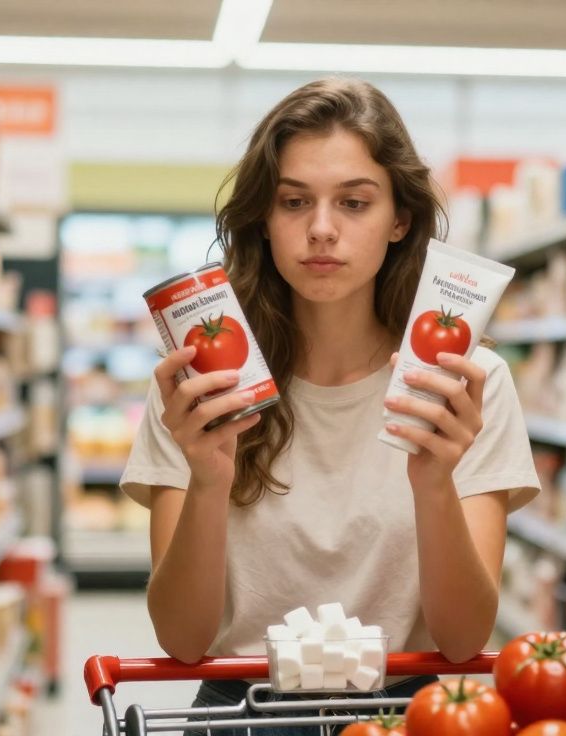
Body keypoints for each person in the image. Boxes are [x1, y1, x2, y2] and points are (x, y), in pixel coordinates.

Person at [120, 77, 540, 733]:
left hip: (407, 712)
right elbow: (182, 640)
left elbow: (461, 642)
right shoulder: (200, 385)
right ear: (264, 216)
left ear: (400, 219)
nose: (321, 230)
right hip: (242, 716)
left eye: (353, 202)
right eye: (294, 202)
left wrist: (433, 482)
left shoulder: (463, 383)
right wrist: (207, 481)